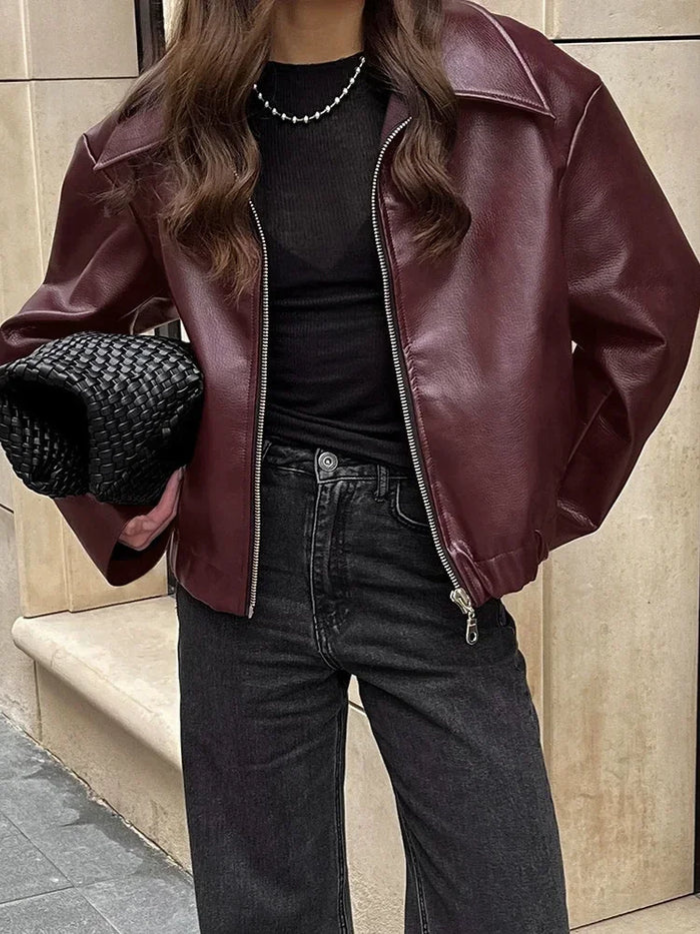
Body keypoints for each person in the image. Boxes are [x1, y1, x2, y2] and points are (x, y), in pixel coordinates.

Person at [1, 0, 699, 931]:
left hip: (429, 564)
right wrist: (119, 496)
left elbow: (649, 308)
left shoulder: (520, 90)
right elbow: (40, 350)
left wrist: (531, 507)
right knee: (264, 915)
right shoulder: (162, 131)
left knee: (503, 904)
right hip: (242, 564)